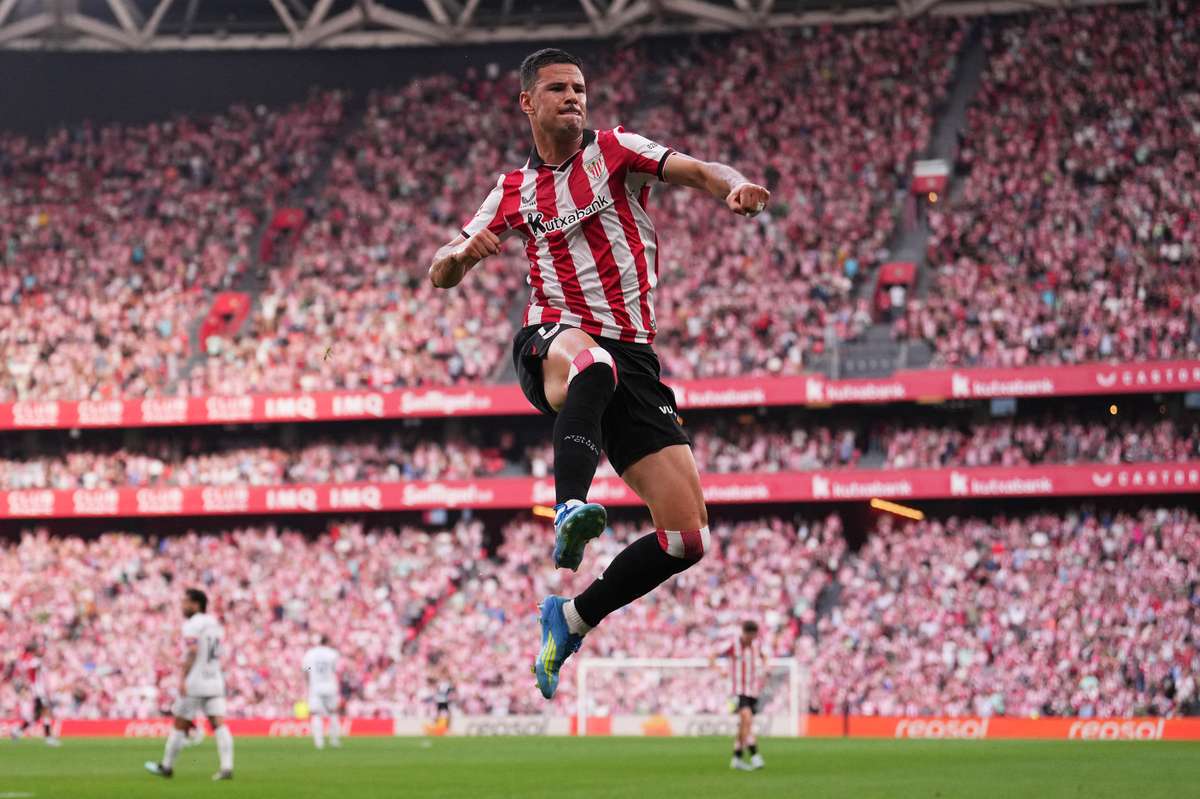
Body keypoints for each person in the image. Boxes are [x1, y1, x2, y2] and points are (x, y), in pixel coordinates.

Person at [429, 47, 770, 700]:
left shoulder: (615, 151)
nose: (573, 98)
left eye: (580, 88)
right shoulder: (512, 190)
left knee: (687, 537)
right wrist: (464, 255)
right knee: (592, 362)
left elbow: (701, 170)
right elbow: (440, 270)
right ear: (527, 102)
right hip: (553, 342)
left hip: (634, 359)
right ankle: (569, 507)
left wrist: (734, 187)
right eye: (558, 88)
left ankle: (574, 616)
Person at [144, 588, 234, 781]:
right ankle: (227, 767)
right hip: (215, 678)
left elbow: (193, 650)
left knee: (180, 723)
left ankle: (166, 766)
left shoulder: (192, 624)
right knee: (218, 723)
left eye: (185, 602)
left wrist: (183, 677)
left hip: (196, 680)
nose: (182, 606)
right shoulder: (214, 623)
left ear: (196, 604)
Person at [713, 620, 767, 771]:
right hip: (736, 691)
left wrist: (765, 667)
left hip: (752, 691)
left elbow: (764, 656)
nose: (751, 639)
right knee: (747, 718)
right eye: (749, 636)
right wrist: (720, 670)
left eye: (753, 636)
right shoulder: (733, 645)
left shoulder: (756, 645)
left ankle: (736, 758)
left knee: (744, 725)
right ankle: (755, 755)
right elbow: (712, 655)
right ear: (744, 633)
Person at [8, 641, 61, 746]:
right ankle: (48, 738)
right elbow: (36, 672)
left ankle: (17, 731)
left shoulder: (29, 661)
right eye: (38, 649)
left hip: (38, 690)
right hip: (39, 691)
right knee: (46, 712)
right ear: (34, 651)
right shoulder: (34, 661)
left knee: (36, 717)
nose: (40, 651)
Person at [302, 635, 342, 749]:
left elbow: (306, 669)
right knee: (333, 712)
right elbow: (336, 669)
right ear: (327, 642)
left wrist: (311, 676)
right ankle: (334, 741)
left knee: (316, 714)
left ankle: (319, 742)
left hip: (315, 686)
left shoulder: (310, 653)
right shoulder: (333, 653)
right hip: (330, 685)